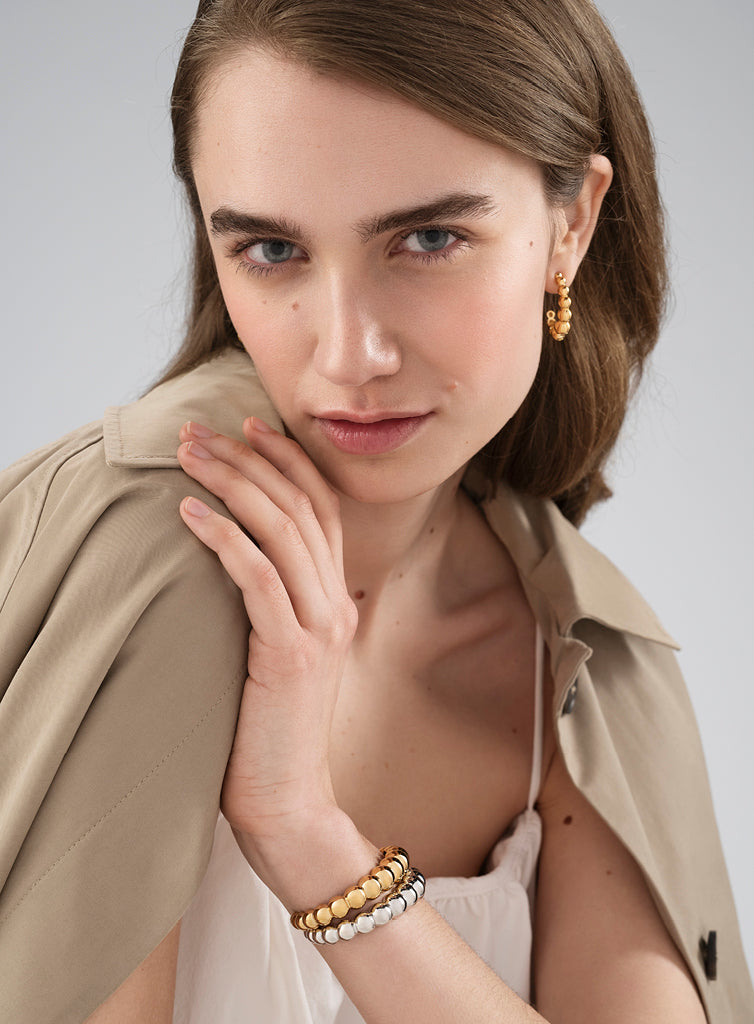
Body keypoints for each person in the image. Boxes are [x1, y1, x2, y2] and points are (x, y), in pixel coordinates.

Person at [0, 0, 751, 1021]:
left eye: (429, 238)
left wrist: (307, 836)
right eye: (272, 249)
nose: (351, 355)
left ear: (571, 225)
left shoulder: (587, 662)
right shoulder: (154, 550)